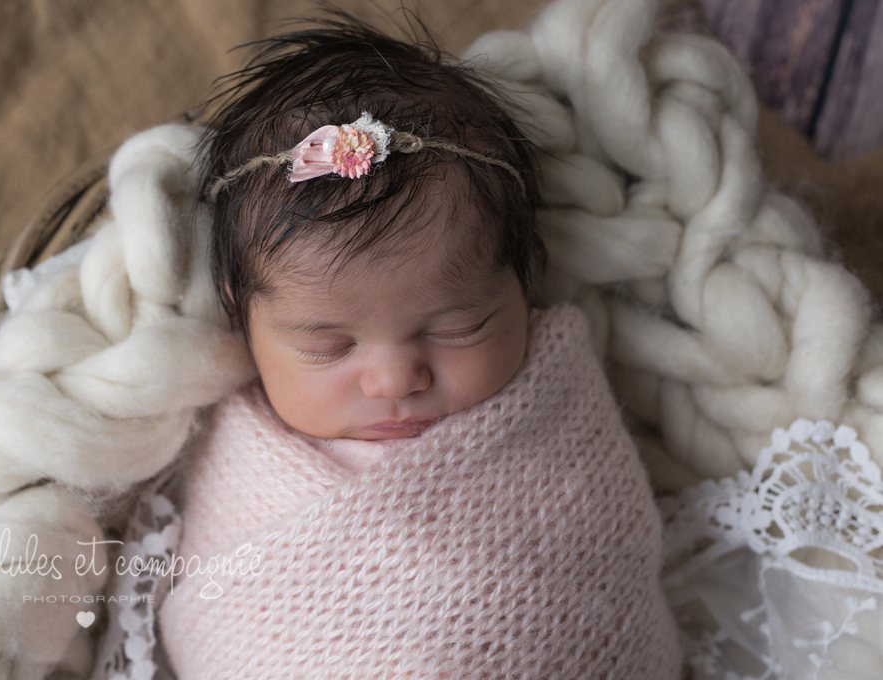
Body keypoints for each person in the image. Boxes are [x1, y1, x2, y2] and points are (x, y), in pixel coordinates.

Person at [156, 16, 682, 679]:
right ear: (241, 315)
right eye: (329, 345)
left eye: (453, 328)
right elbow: (228, 625)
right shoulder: (238, 459)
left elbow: (604, 571)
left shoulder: (559, 428)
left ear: (523, 285)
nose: (394, 378)